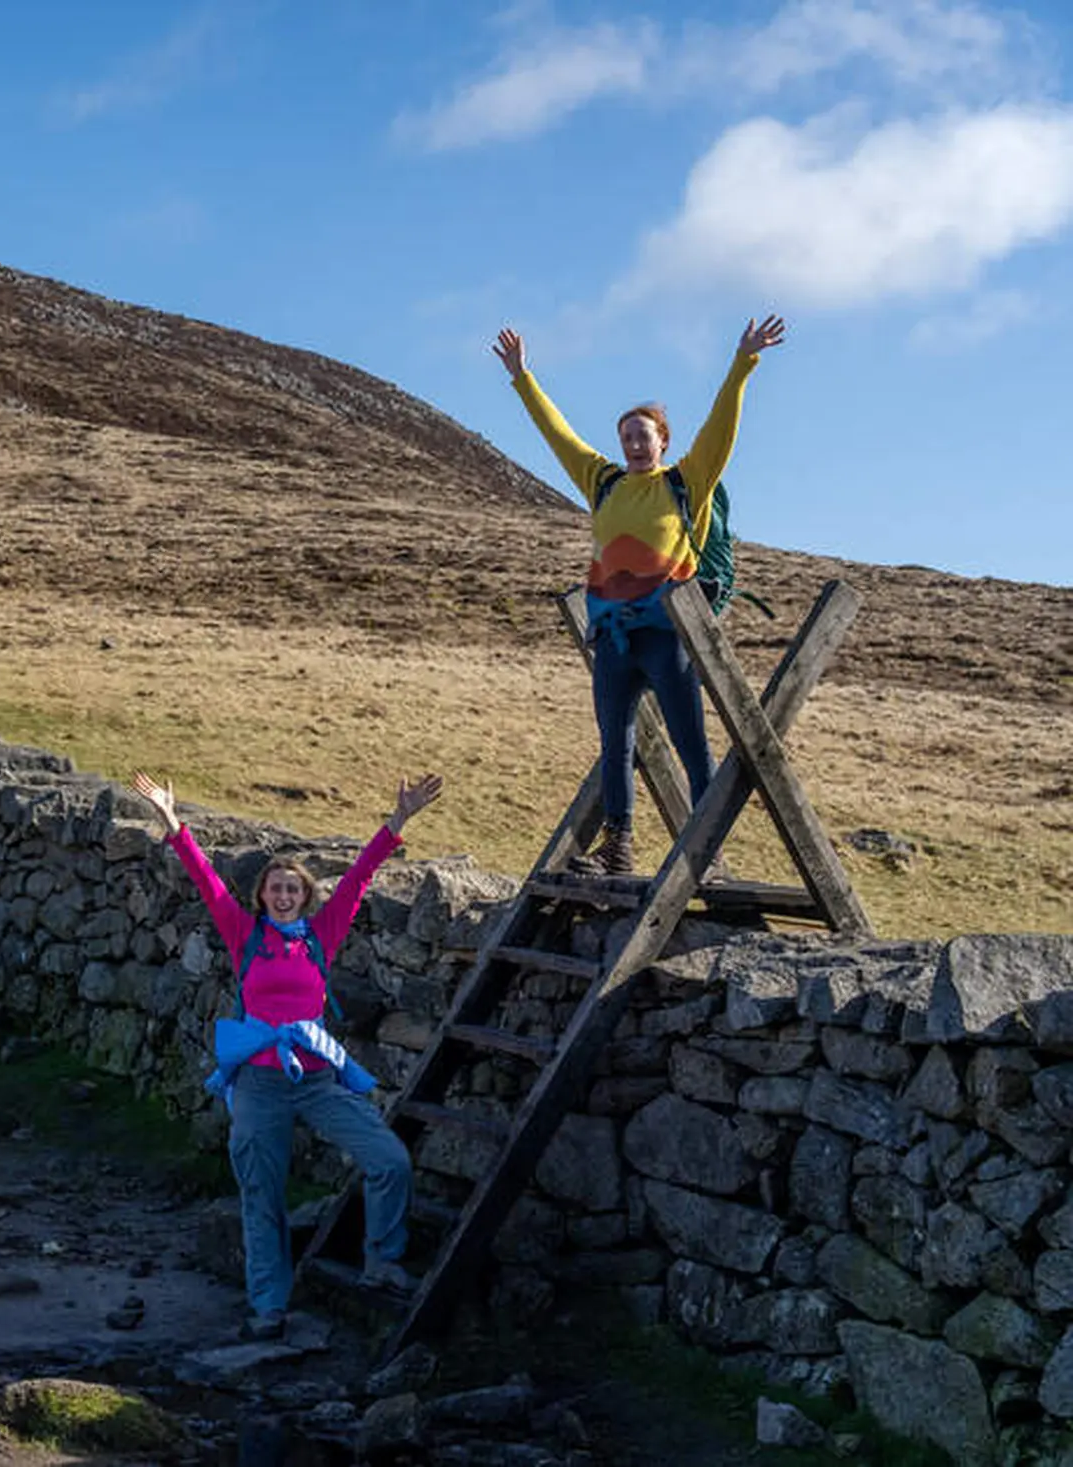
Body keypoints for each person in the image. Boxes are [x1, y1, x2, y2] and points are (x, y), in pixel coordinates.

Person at [131, 769, 443, 1339]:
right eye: (274, 888)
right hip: (258, 1083)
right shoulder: (244, 933)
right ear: (262, 896)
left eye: (292, 889)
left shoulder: (321, 935)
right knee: (261, 1192)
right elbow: (205, 880)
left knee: (389, 1159)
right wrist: (172, 822)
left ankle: (382, 1261)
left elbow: (360, 877)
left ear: (304, 896)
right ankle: (269, 1305)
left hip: (320, 1077)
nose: (282, 894)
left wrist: (399, 820)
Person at [493, 316, 785, 875]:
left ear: (662, 443)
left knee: (689, 743)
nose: (631, 442)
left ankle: (708, 851)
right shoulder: (601, 481)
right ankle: (618, 849)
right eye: (625, 434)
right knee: (616, 745)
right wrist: (523, 379)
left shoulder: (685, 483)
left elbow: (721, 429)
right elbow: (558, 435)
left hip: (668, 634)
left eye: (642, 435)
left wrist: (743, 364)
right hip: (614, 637)